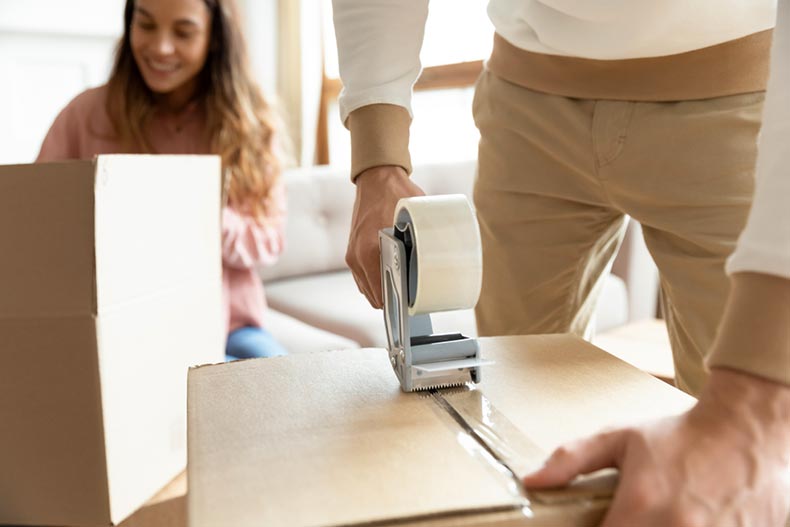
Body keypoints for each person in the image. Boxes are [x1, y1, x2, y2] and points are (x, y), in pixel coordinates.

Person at [332, 0, 790, 524]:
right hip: (527, 100)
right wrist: (377, 157)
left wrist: (753, 407)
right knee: (518, 413)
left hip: (736, 89)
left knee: (742, 460)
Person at [37, 0, 288, 361]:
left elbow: (270, 240)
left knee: (281, 388)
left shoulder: (250, 125)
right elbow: (37, 222)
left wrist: (202, 213)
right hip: (117, 322)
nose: (161, 47)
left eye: (183, 32)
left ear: (214, 37)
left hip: (232, 325)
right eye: (146, 25)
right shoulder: (85, 116)